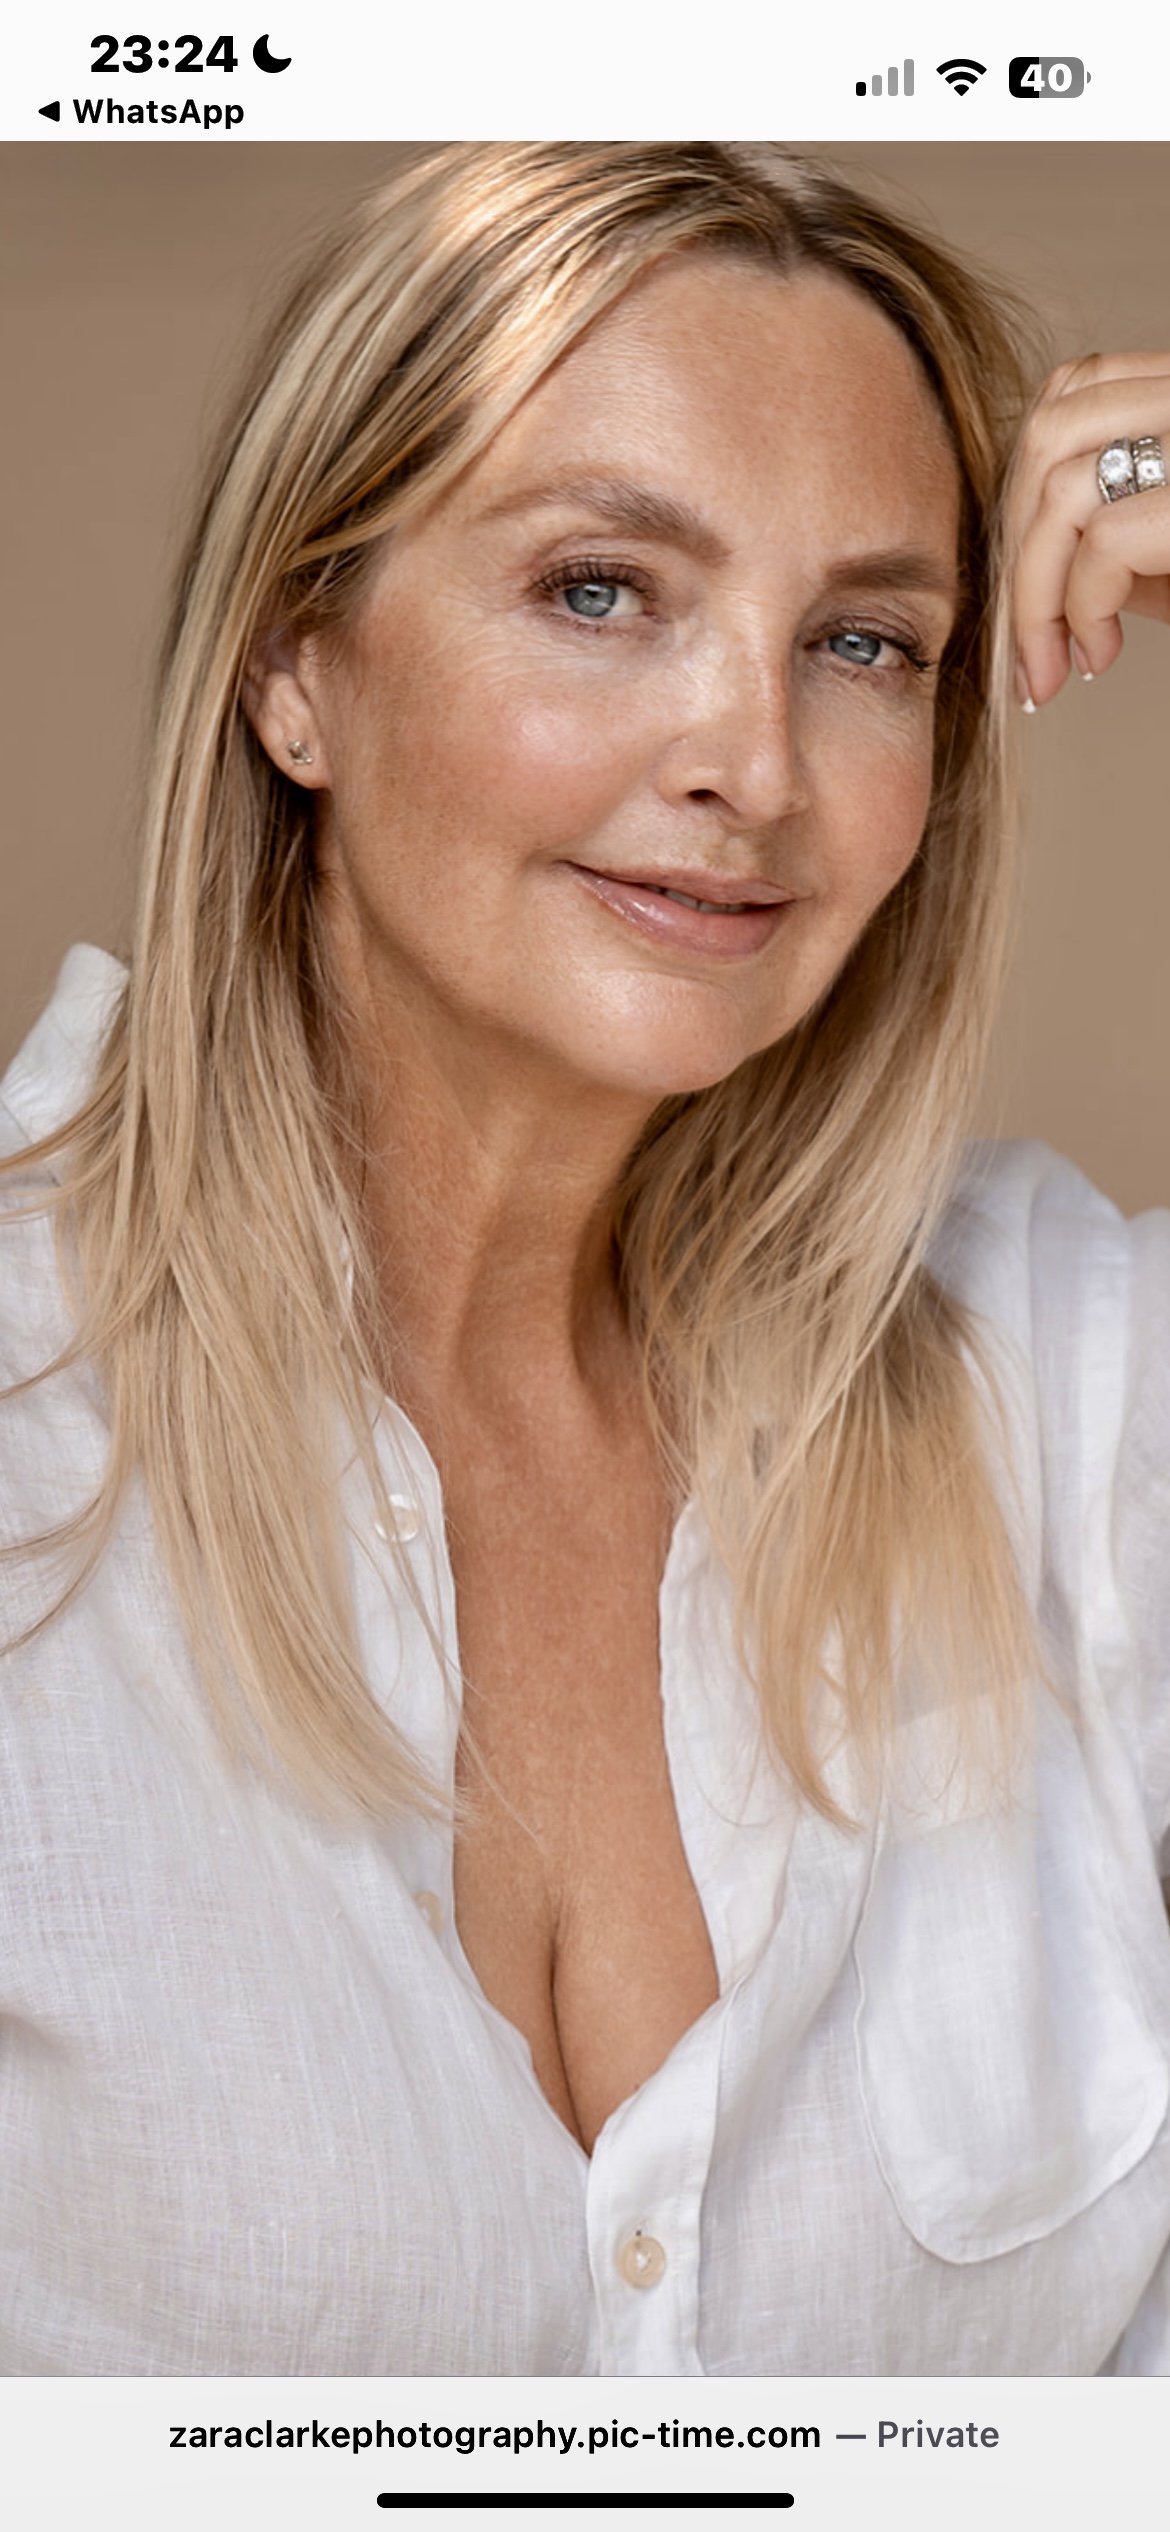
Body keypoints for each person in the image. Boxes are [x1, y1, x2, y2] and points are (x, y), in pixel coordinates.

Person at [0, 139, 1168, 2378]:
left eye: (862, 641)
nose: (754, 761)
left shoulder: (1061, 1392)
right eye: (603, 590)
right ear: (295, 665)